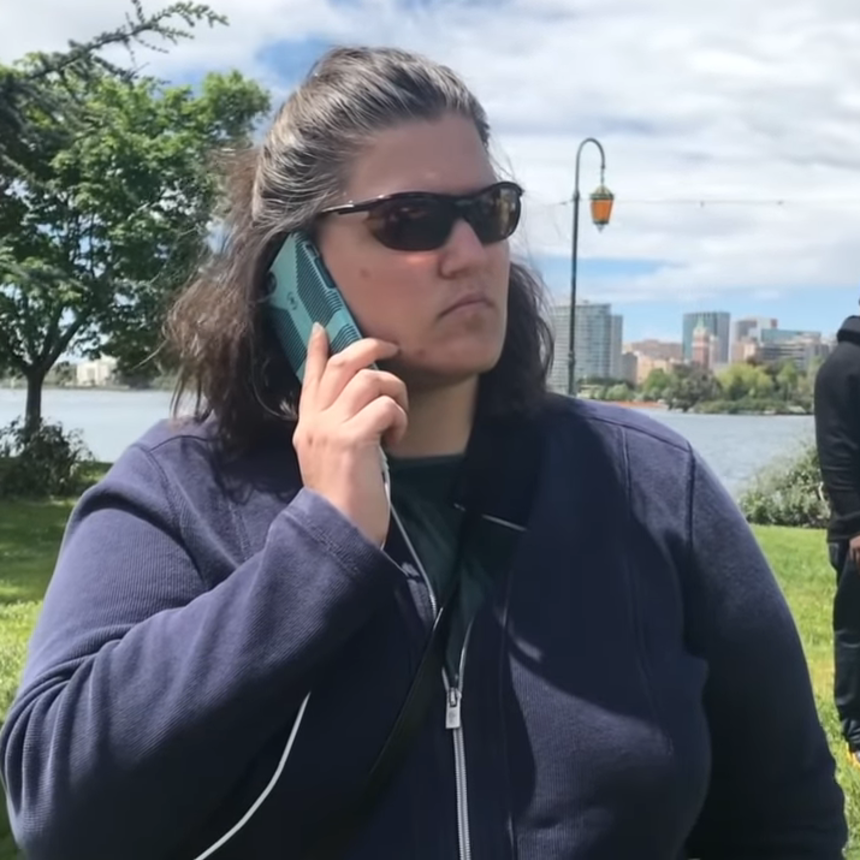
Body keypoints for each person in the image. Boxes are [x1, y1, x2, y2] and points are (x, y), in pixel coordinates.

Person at [0, 46, 846, 860]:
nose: (469, 254)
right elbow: (59, 807)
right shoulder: (182, 490)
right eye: (410, 220)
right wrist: (320, 546)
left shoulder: (649, 484)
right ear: (298, 269)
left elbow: (787, 823)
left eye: (489, 211)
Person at [815, 307, 860, 769]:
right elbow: (836, 453)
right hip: (856, 532)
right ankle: (857, 731)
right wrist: (856, 525)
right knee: (856, 632)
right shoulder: (842, 366)